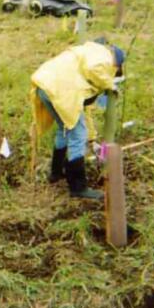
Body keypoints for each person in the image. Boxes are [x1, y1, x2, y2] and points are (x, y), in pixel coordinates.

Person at [31, 40, 125, 201]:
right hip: (60, 89)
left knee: (64, 127)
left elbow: (84, 109)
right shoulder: (104, 59)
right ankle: (78, 187)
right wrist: (110, 85)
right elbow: (94, 68)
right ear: (116, 65)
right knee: (77, 134)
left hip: (45, 85)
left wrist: (92, 138)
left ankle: (56, 172)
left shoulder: (91, 52)